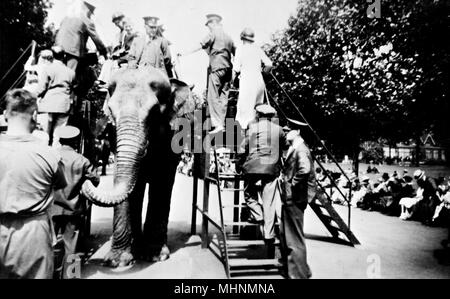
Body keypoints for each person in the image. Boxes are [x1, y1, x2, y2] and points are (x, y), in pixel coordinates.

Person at [0, 89, 67, 278]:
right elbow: (60, 186)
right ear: (35, 115)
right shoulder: (49, 154)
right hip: (33, 233)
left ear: (5, 115)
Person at [237, 104, 287, 258]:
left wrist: (239, 164)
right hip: (271, 168)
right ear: (271, 116)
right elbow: (284, 146)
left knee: (248, 194)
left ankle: (259, 216)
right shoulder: (279, 130)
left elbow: (242, 148)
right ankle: (269, 234)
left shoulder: (252, 128)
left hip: (253, 167)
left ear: (258, 115)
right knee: (270, 201)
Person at [50, 125, 99, 277]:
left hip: (52, 209)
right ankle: (70, 276)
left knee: (49, 244)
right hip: (73, 210)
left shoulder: (51, 156)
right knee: (72, 247)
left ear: (61, 140)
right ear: (76, 141)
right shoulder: (82, 160)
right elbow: (96, 180)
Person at [179, 14, 235, 134]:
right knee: (223, 97)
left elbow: (200, 45)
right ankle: (222, 123)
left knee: (212, 95)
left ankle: (217, 124)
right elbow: (236, 51)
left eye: (209, 25)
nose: (208, 28)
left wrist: (184, 53)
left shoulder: (213, 34)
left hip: (216, 68)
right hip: (228, 69)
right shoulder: (229, 37)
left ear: (213, 24)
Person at [280, 122, 316, 279]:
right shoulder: (296, 147)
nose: (286, 131)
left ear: (298, 131)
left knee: (294, 238)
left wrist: (290, 183)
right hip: (293, 197)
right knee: (290, 235)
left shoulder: (300, 149)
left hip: (294, 197)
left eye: (289, 130)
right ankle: (302, 270)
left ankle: (298, 275)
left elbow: (305, 169)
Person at [55, 0, 107, 101]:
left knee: (58, 75)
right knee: (70, 77)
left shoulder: (66, 18)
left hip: (58, 49)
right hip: (72, 51)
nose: (90, 15)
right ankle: (66, 102)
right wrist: (104, 51)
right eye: (90, 13)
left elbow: (69, 34)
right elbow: (96, 38)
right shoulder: (86, 20)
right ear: (87, 11)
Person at [34, 46, 76, 146]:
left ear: (52, 56)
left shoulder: (48, 69)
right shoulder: (71, 73)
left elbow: (42, 88)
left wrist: (32, 96)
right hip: (63, 106)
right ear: (64, 56)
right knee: (57, 137)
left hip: (47, 105)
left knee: (44, 135)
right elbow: (73, 89)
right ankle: (55, 158)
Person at [233, 28, 273, 130]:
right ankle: (258, 133)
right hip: (259, 82)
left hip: (247, 81)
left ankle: (246, 136)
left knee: (245, 112)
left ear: (242, 38)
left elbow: (236, 68)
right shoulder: (257, 49)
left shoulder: (240, 49)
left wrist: (233, 81)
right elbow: (269, 64)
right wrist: (263, 73)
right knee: (257, 109)